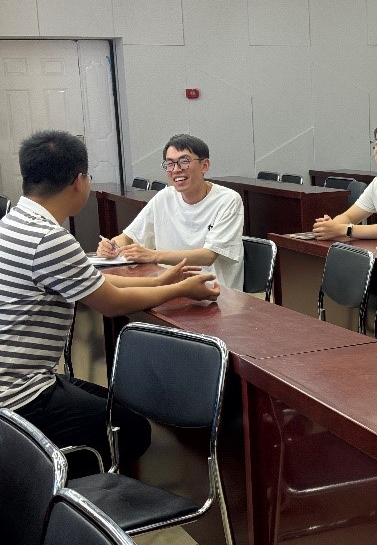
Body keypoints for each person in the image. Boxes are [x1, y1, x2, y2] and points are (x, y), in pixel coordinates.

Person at [2, 130, 221, 475]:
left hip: (19, 381)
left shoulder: (15, 222)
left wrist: (160, 280)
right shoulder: (49, 238)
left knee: (117, 407)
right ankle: (63, 487)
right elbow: (112, 302)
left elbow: (92, 280)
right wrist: (181, 290)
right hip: (19, 396)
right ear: (78, 181)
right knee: (132, 430)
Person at [96, 134, 244, 290]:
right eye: (170, 163)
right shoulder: (164, 197)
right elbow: (128, 238)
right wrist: (111, 246)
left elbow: (208, 256)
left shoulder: (228, 200)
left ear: (204, 166)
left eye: (184, 161)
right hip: (170, 287)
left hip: (214, 291)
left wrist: (153, 255)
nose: (176, 169)